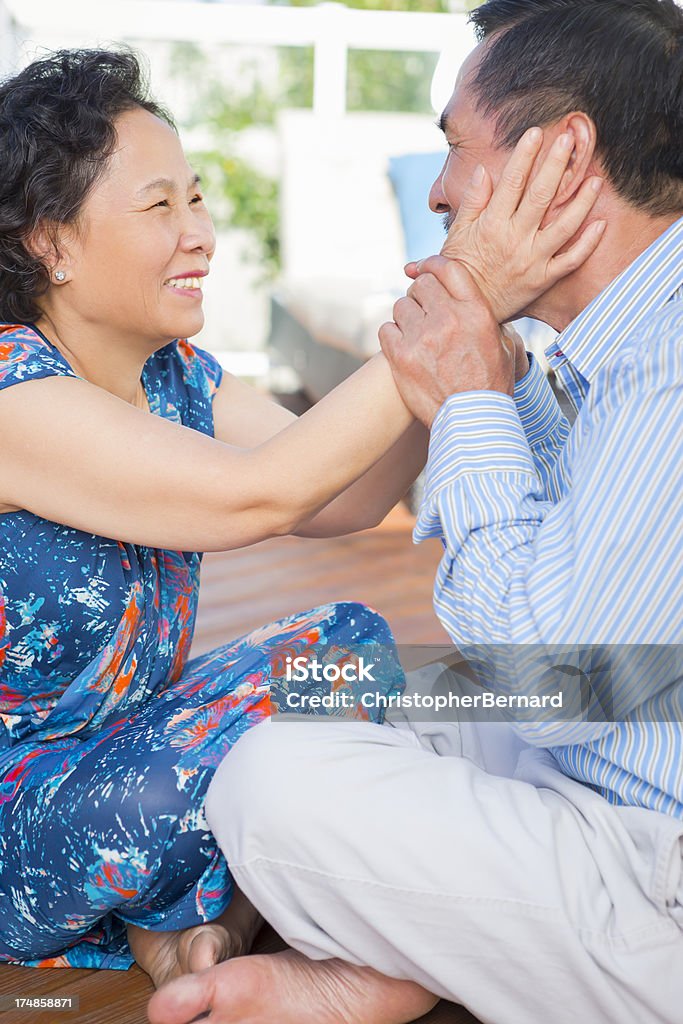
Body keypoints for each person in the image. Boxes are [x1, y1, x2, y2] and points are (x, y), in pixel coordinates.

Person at [0, 48, 595, 988]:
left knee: (346, 644)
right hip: (17, 821)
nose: (199, 233)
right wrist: (467, 282)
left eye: (196, 199)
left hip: (125, 747)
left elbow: (343, 496)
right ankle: (195, 916)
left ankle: (192, 928)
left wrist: (456, 343)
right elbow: (261, 493)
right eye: (160, 207)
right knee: (257, 747)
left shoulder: (174, 376)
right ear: (51, 243)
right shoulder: (11, 393)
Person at [152, 1, 683, 1023]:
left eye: (451, 147)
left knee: (270, 783)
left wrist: (471, 395)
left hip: (653, 848)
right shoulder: (632, 336)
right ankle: (427, 953)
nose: (436, 191)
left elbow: (547, 673)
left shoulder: (665, 365)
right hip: (618, 735)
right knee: (330, 702)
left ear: (560, 159)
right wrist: (492, 376)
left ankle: (413, 957)